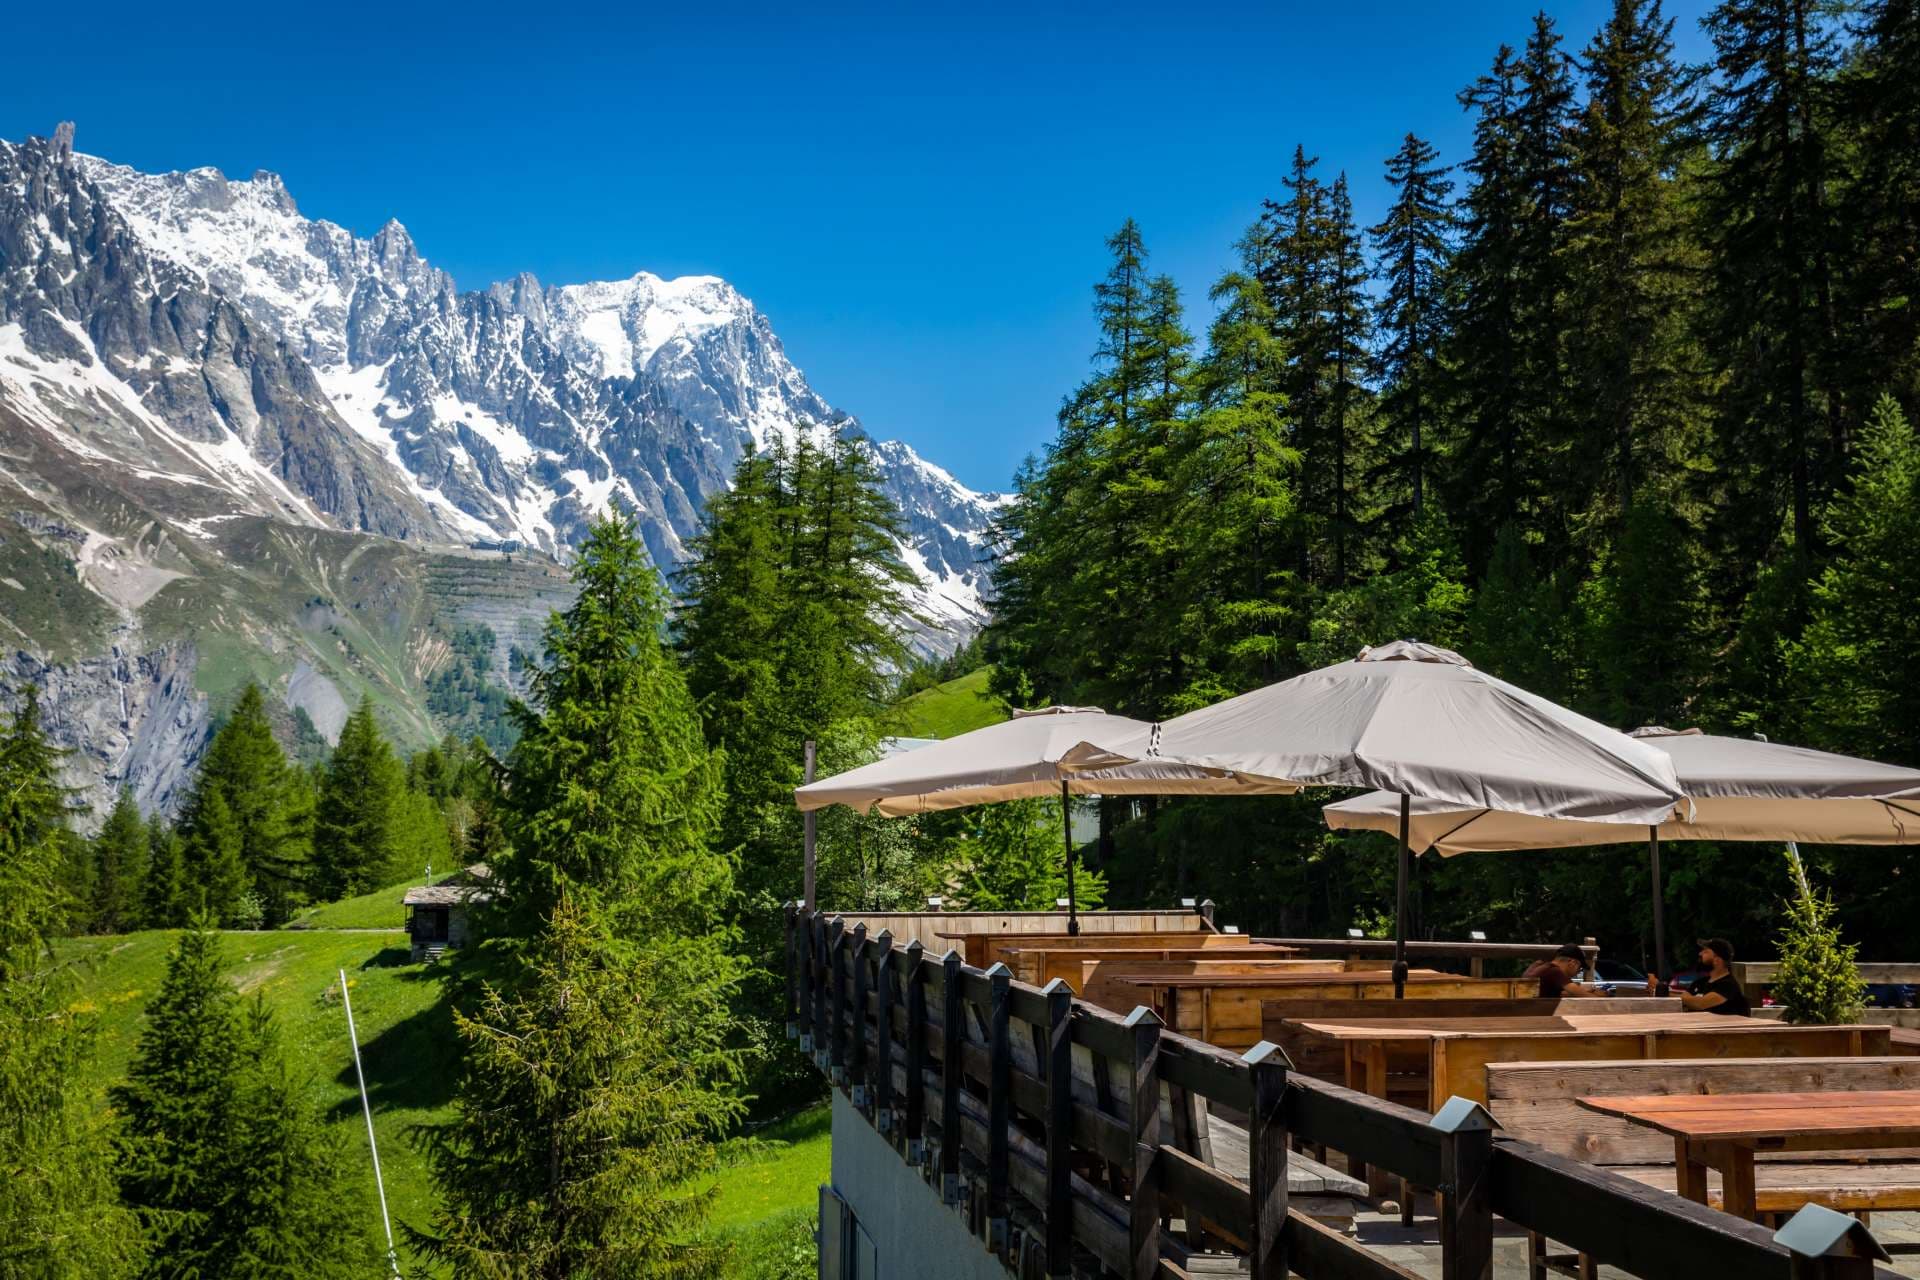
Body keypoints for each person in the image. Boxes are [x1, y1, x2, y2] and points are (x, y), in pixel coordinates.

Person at [1648, 938, 1750, 1015]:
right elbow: (1684, 998)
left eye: (1705, 951)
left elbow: (1700, 1003)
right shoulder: (1700, 982)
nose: (1700, 953)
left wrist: (1665, 993)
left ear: (1717, 960)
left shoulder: (1728, 985)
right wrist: (1659, 989)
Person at [1524, 944, 1602, 999]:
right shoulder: (1555, 972)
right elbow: (1586, 997)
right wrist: (1601, 996)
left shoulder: (1541, 966)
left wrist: (1590, 991)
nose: (1578, 972)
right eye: (1580, 968)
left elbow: (1564, 993)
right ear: (1572, 963)